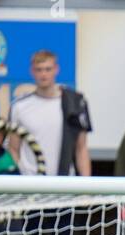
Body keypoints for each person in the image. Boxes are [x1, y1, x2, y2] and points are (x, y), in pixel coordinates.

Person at [7, 49, 92, 177]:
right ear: (32, 71)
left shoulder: (74, 103)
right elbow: (13, 148)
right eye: (39, 70)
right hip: (29, 183)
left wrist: (87, 187)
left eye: (48, 69)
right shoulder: (19, 106)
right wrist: (21, 175)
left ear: (56, 69)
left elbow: (81, 149)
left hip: (64, 182)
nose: (43, 74)